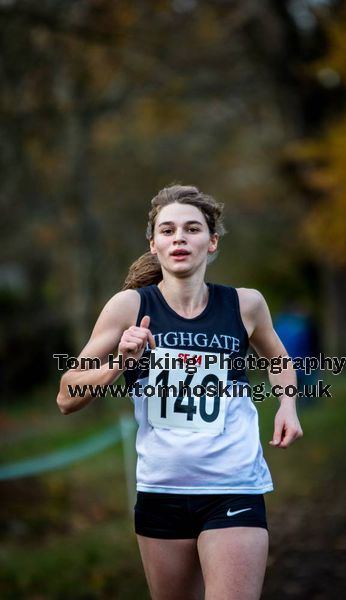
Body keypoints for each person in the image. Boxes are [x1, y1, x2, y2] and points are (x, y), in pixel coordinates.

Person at [56, 184, 303, 600]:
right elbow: (66, 396)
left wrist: (288, 406)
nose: (180, 238)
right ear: (154, 245)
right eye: (167, 231)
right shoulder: (128, 307)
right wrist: (121, 362)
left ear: (212, 242)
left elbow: (279, 361)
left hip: (233, 485)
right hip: (161, 491)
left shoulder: (245, 304)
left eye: (192, 229)